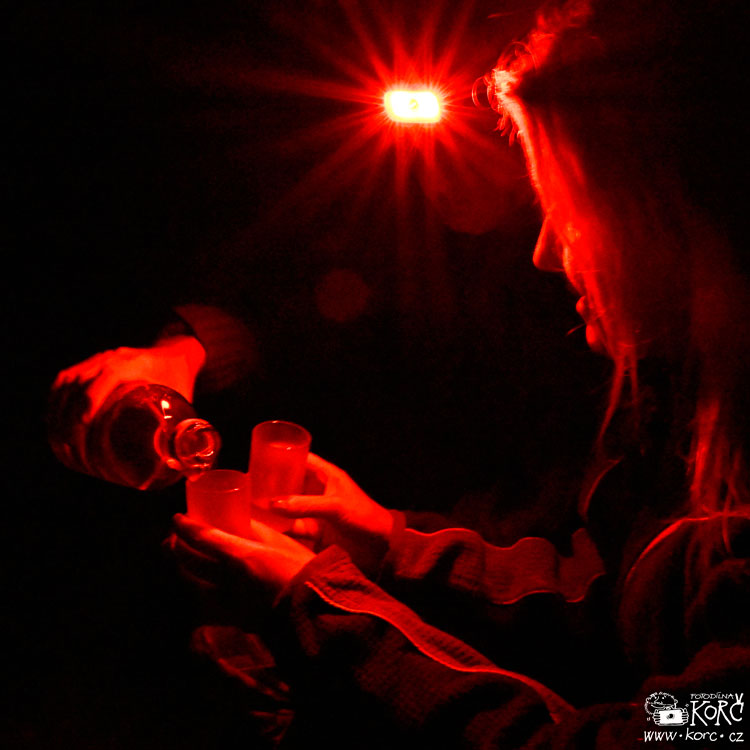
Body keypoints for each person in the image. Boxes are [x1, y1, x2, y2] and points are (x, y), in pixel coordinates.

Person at [59, 0, 750, 746]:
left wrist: (326, 617)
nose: (546, 252)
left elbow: (685, 729)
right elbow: (608, 597)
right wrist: (387, 544)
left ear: (688, 216)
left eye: (575, 211)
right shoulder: (687, 412)